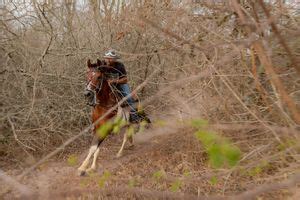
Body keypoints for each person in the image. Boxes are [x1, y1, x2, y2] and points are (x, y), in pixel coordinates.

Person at [102, 49, 140, 122]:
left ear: (115, 59)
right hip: (107, 86)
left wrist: (114, 81)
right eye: (107, 58)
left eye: (110, 59)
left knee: (128, 97)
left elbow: (125, 79)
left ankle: (135, 117)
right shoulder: (102, 64)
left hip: (120, 84)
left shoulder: (119, 66)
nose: (108, 60)